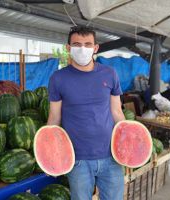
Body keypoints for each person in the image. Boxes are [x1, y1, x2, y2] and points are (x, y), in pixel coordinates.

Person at [47, 26, 125, 200]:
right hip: (77, 159)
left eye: (87, 44)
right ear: (68, 48)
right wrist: (49, 150)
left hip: (110, 155)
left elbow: (117, 112)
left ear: (95, 48)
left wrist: (127, 146)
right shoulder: (58, 78)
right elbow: (54, 118)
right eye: (77, 44)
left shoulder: (110, 74)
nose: (82, 49)